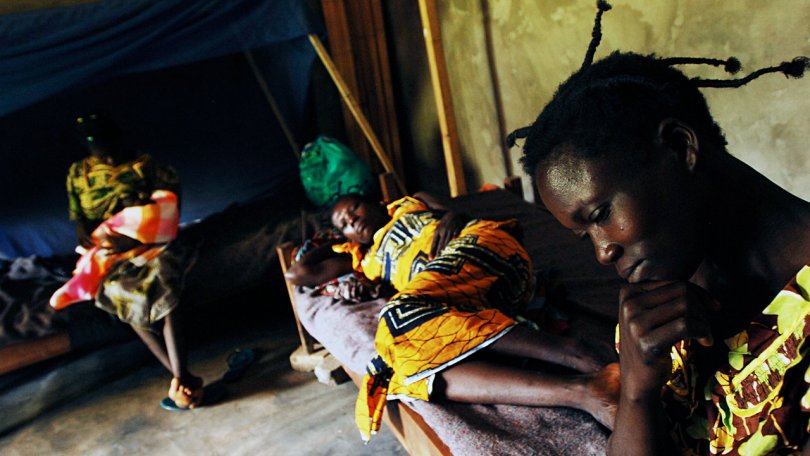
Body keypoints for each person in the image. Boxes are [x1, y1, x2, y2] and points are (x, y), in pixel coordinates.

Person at [510, 1, 810, 454]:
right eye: (585, 235)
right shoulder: (668, 293)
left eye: (601, 215)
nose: (602, 253)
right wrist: (636, 391)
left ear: (679, 146)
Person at [285, 192, 620, 441]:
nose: (352, 219)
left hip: (486, 251)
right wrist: (328, 237)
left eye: (354, 208)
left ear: (375, 201)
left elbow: (456, 214)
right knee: (402, 373)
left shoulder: (409, 204)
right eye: (344, 223)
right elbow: (298, 273)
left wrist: (450, 216)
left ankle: (574, 353)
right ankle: (583, 390)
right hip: (469, 301)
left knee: (396, 319)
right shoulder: (362, 259)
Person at [51, 113, 205, 410]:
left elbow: (167, 208)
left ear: (117, 137)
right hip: (109, 248)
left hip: (150, 242)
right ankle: (182, 377)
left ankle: (180, 379)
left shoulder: (144, 166)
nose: (102, 152)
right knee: (116, 291)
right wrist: (87, 233)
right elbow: (79, 220)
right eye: (93, 145)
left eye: (105, 143)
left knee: (163, 279)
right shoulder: (77, 173)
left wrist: (136, 238)